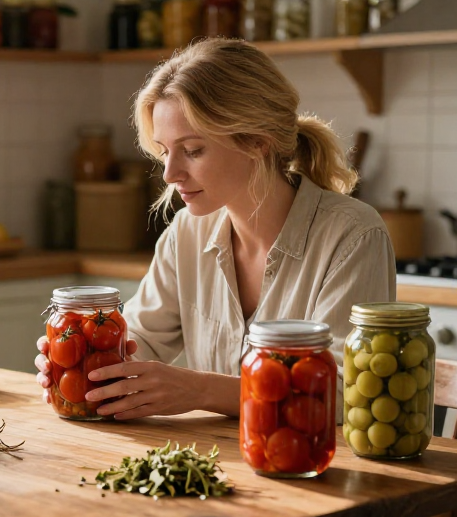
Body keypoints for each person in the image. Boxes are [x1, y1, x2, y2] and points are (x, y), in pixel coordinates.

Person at [35, 38, 396, 420]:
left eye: (192, 151)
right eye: (163, 151)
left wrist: (200, 390)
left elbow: (346, 391)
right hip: (220, 460)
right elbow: (140, 342)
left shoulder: (353, 236)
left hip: (320, 466)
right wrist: (85, 360)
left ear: (257, 142)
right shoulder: (187, 232)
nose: (170, 174)